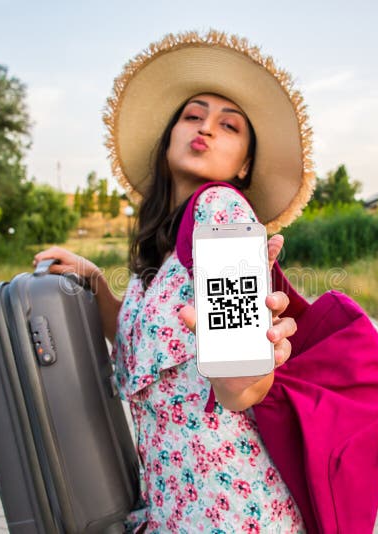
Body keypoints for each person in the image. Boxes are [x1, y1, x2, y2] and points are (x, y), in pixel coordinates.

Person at [34, 30, 315, 533]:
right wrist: (95, 280)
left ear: (244, 163)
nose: (205, 128)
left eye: (228, 126)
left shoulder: (221, 210)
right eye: (192, 116)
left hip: (228, 510)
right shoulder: (163, 255)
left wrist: (249, 372)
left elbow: (239, 380)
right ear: (169, 136)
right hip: (177, 508)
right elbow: (143, 341)